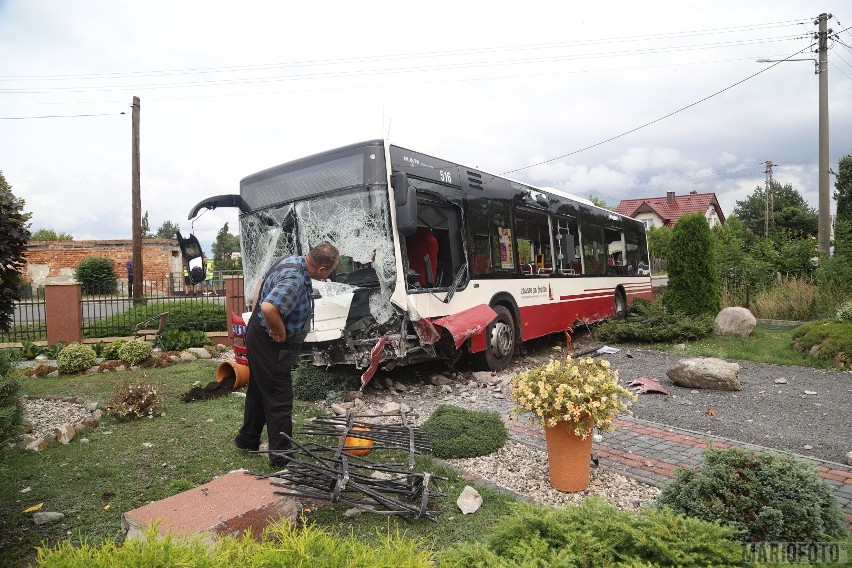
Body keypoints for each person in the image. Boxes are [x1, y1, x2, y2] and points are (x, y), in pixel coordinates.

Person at [234, 242, 340, 469]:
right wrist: (280, 332)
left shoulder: (291, 260)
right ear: (321, 269)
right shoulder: (295, 280)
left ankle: (247, 439)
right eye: (330, 271)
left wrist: (254, 315)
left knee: (259, 388)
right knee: (279, 396)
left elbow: (262, 279)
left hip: (258, 332)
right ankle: (282, 455)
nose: (329, 275)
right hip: (271, 343)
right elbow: (270, 308)